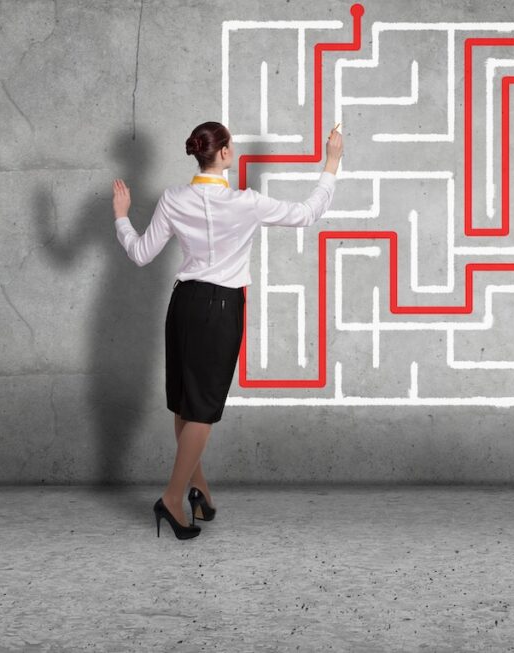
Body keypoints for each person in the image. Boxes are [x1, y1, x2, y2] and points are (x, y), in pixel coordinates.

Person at [111, 120, 343, 539]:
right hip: (220, 308)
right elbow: (307, 213)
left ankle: (199, 490)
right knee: (201, 411)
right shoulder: (246, 202)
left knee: (186, 406)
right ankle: (172, 498)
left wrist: (122, 218)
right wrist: (332, 161)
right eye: (230, 144)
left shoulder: (173, 198)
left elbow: (141, 253)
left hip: (182, 303)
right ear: (222, 153)